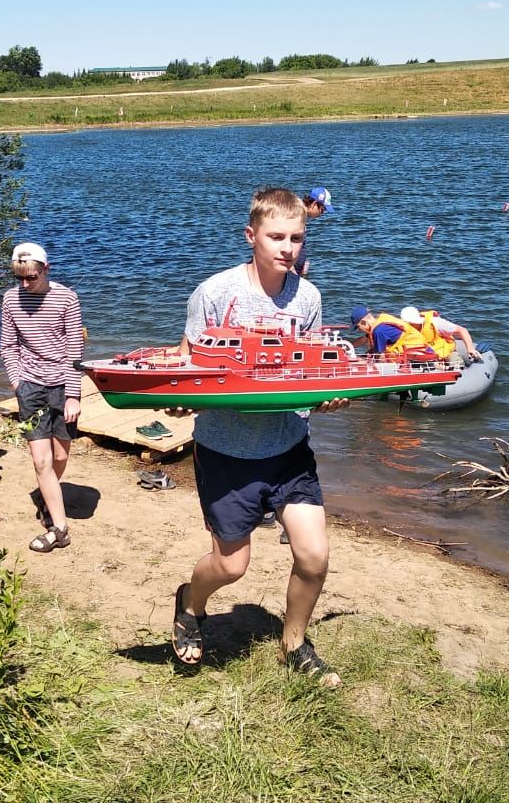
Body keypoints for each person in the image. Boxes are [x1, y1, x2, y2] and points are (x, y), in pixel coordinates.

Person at [171, 187, 348, 685]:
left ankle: (293, 643)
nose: (287, 247)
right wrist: (182, 397)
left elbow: (309, 374)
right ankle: (190, 602)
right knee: (231, 567)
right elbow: (188, 363)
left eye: (296, 237)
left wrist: (328, 399)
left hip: (289, 447)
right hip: (227, 452)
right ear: (251, 236)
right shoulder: (214, 292)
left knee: (314, 556)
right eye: (276, 237)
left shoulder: (308, 297)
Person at [0, 242, 84, 553]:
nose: (24, 284)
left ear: (46, 270)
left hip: (63, 385)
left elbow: (75, 350)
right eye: (19, 278)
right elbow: (8, 345)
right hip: (30, 386)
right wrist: (16, 380)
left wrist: (73, 395)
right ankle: (59, 528)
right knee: (40, 460)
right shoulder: (10, 299)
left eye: (31, 277)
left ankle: (48, 494)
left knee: (60, 457)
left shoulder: (67, 298)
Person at [399, 306, 481, 362]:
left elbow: (462, 330)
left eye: (412, 323)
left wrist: (470, 349)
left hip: (443, 351)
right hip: (420, 354)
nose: (410, 325)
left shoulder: (436, 322)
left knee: (456, 361)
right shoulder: (402, 328)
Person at [293, 186, 334, 277]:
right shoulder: (296, 217)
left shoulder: (301, 217)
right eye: (322, 210)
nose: (322, 214)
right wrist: (291, 270)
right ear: (314, 204)